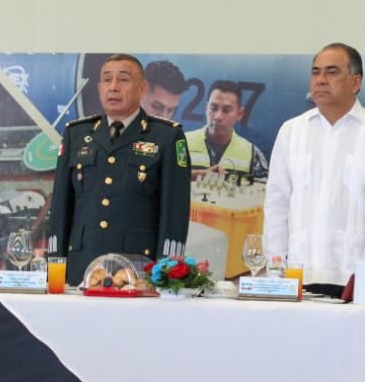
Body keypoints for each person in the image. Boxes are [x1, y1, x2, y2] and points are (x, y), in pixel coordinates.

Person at [264, 43, 365, 290]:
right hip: (299, 278)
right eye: (315, 72)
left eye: (332, 72)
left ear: (356, 82)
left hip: (361, 283)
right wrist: (275, 274)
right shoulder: (291, 131)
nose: (321, 80)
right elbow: (276, 207)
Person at [50, 53, 191, 286]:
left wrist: (165, 275)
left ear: (142, 88)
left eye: (123, 80)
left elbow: (174, 213)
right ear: (98, 88)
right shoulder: (77, 134)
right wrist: (55, 274)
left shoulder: (166, 136)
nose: (113, 87)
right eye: (107, 80)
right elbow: (60, 210)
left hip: (138, 274)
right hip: (80, 270)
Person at [186, 80, 269, 180]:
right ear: (206, 108)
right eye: (213, 108)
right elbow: (165, 179)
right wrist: (195, 176)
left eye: (226, 110)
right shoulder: (181, 143)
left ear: (240, 114)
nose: (218, 116)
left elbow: (265, 193)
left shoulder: (252, 155)